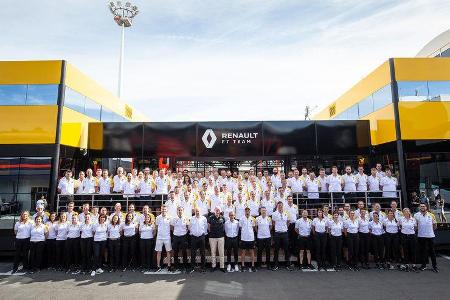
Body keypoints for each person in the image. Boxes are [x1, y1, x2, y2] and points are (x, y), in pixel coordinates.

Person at [415, 203, 438, 272]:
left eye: (424, 206)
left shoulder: (431, 215)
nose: (422, 207)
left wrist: (430, 231)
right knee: (423, 252)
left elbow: (435, 225)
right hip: (421, 236)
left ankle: (434, 266)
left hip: (430, 236)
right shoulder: (416, 215)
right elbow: (415, 226)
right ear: (419, 207)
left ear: (426, 207)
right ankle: (423, 265)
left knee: (432, 252)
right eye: (421, 206)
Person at [272, 201, 293, 271]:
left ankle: (288, 265)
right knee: (276, 249)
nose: (280, 206)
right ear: (277, 206)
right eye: (279, 205)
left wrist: (284, 228)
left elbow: (288, 222)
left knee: (286, 249)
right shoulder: (274, 214)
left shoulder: (286, 213)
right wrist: (279, 228)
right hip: (277, 233)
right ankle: (275, 265)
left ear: (282, 206)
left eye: (281, 205)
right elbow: (273, 223)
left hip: (284, 233)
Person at [189, 207, 208, 273]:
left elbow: (205, 227)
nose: (197, 212)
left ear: (200, 212)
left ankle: (203, 267)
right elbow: (190, 227)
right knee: (193, 253)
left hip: (201, 237)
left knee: (202, 253)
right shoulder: (191, 219)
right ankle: (192, 267)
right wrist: (192, 234)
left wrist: (204, 234)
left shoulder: (204, 218)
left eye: (198, 211)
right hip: (193, 237)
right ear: (194, 212)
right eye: (196, 211)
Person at [171, 206, 189, 272]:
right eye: (179, 210)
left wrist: (184, 232)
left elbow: (187, 227)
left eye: (181, 210)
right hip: (176, 236)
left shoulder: (186, 218)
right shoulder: (174, 219)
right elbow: (172, 227)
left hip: (183, 236)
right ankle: (176, 266)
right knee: (175, 251)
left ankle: (185, 266)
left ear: (183, 211)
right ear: (177, 211)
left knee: (184, 251)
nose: (180, 211)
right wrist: (175, 232)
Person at [208, 206, 226, 272]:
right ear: (214, 211)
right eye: (216, 210)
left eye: (218, 210)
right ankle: (213, 266)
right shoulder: (210, 218)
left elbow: (224, 227)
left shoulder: (223, 218)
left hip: (221, 237)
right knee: (213, 252)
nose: (217, 211)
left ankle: (222, 266)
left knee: (221, 252)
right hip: (212, 237)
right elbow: (209, 227)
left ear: (220, 211)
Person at [239, 207, 256, 272]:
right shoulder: (241, 218)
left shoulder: (253, 219)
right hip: (244, 238)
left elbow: (253, 227)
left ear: (250, 211)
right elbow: (240, 227)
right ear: (244, 211)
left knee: (252, 252)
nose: (247, 212)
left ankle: (253, 265)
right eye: (246, 211)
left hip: (251, 238)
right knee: (243, 252)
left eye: (248, 211)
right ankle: (243, 265)